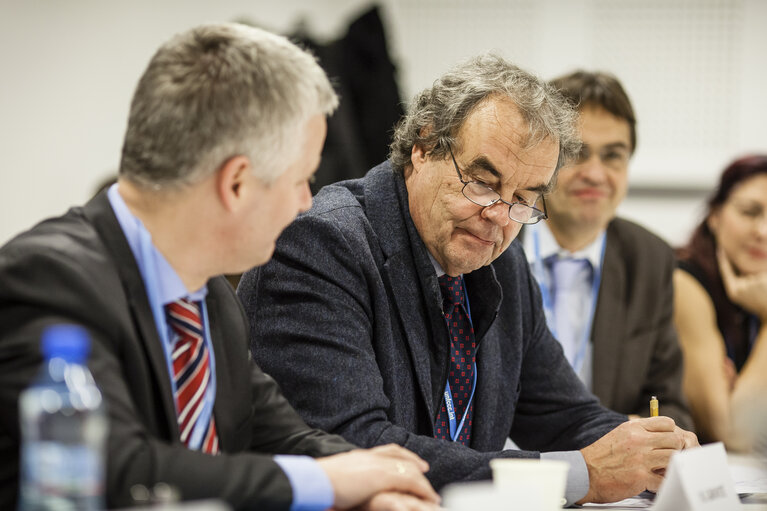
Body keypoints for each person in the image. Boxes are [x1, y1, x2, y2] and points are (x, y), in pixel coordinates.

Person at [0, 23, 441, 511]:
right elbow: (115, 468)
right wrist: (327, 484)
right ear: (236, 184)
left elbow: (286, 438)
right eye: (302, 179)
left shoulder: (210, 295)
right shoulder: (47, 277)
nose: (305, 204)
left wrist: (381, 485)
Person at [238, 54, 698, 506]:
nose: (498, 216)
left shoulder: (501, 263)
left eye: (523, 198)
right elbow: (356, 447)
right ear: (422, 147)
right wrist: (579, 475)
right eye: (482, 182)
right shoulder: (323, 244)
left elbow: (563, 413)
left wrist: (652, 455)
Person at [520, 70, 692, 428]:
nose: (596, 174)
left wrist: (620, 435)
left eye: (613, 156)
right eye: (578, 153)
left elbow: (672, 406)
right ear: (543, 157)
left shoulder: (649, 259)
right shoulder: (494, 241)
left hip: (607, 476)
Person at [674, 155, 767, 450]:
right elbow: (733, 432)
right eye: (749, 212)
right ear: (715, 216)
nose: (762, 232)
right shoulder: (686, 281)